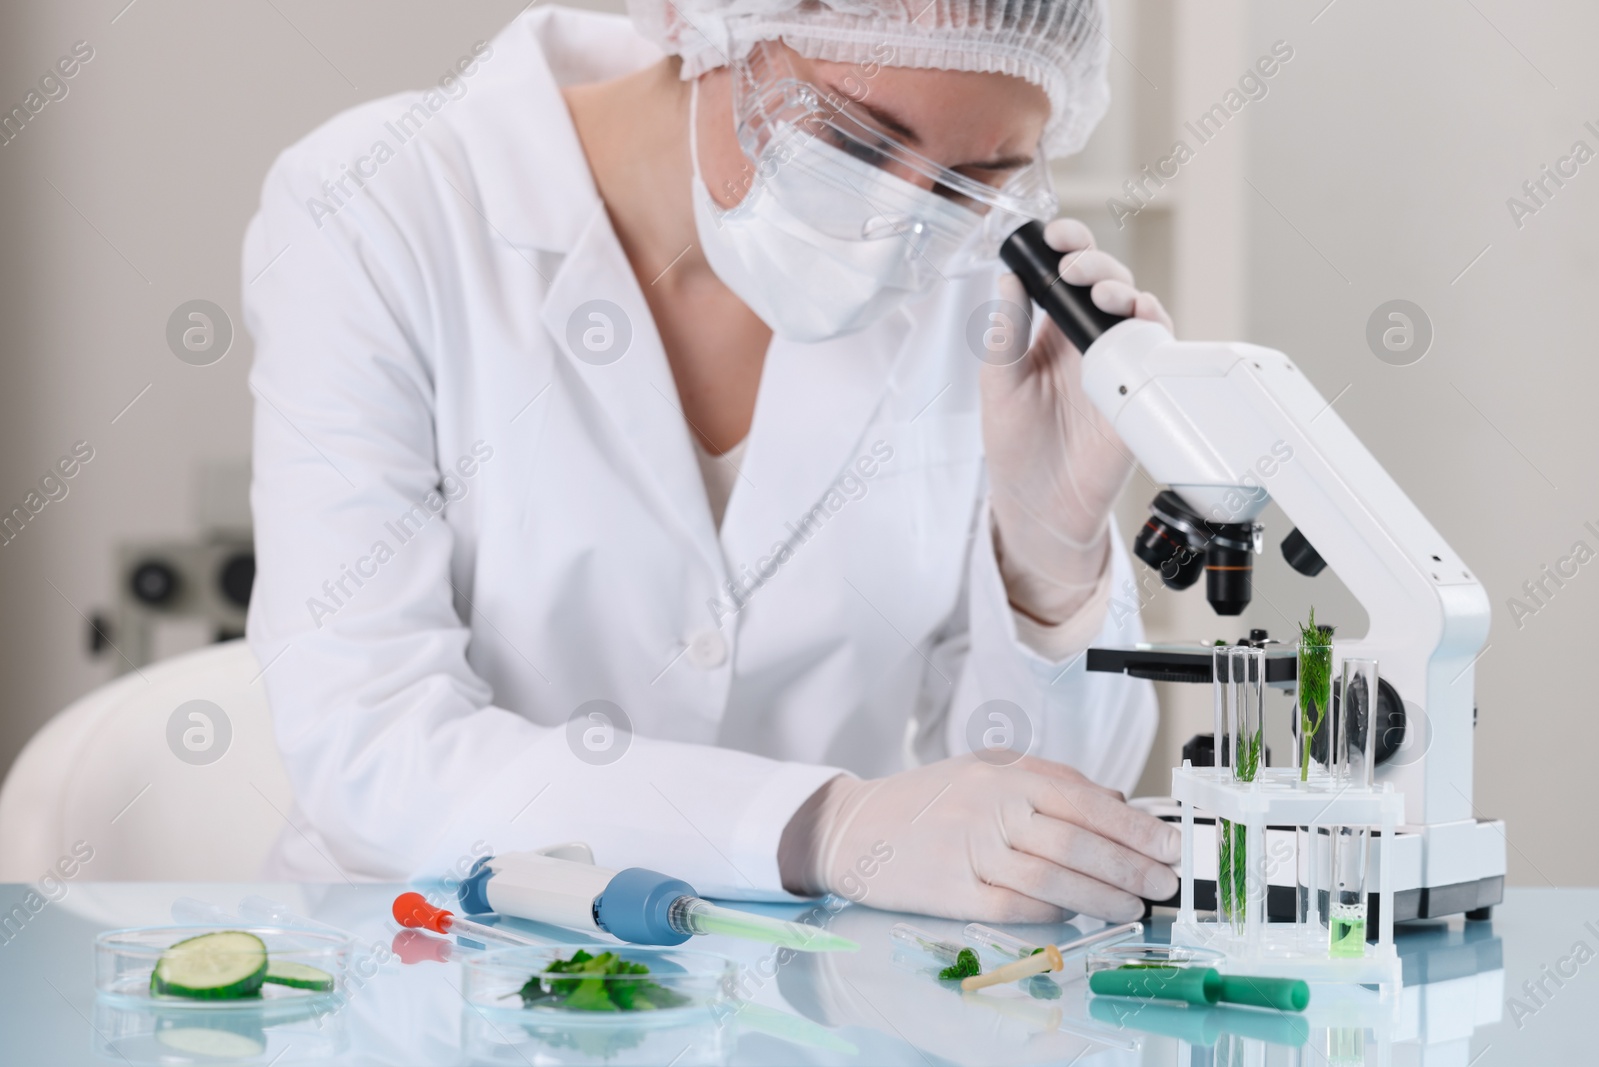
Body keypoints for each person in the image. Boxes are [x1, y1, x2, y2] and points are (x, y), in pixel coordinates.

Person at [243, 0, 1180, 923]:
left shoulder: (979, 287)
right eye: (853, 143)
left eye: (975, 179)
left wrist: (1051, 558)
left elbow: (1049, 843)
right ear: (705, 25)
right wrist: (821, 827)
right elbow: (375, 750)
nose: (901, 225)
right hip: (428, 973)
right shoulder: (382, 205)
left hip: (804, 1000)